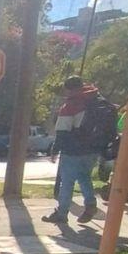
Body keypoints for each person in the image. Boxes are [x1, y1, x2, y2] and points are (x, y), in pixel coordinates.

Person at [43, 76, 114, 224]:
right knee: (84, 176)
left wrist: (55, 150)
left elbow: (62, 131)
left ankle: (61, 213)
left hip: (73, 149)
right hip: (93, 148)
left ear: (68, 89)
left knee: (66, 182)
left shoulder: (71, 105)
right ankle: (90, 204)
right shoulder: (96, 99)